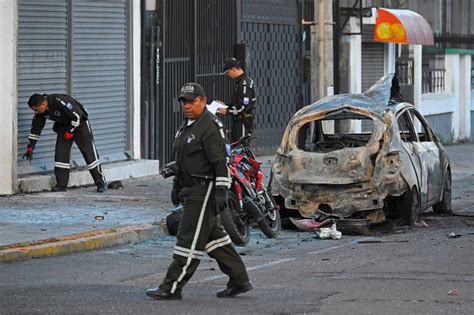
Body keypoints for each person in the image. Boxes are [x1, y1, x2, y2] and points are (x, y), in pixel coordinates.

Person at [145, 82, 252, 300]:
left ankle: (171, 287)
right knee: (215, 240)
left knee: (189, 239)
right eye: (183, 101)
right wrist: (177, 180)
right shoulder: (188, 126)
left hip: (204, 190)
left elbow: (220, 162)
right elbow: (188, 157)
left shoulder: (210, 126)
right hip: (190, 188)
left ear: (203, 101)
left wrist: (221, 192)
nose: (187, 105)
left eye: (192, 101)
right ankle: (239, 280)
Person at [22, 93, 106, 193]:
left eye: (36, 109)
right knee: (60, 155)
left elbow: (77, 115)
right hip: (64, 126)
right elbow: (36, 128)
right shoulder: (41, 112)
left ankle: (100, 183)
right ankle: (61, 185)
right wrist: (31, 147)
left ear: (43, 104)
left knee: (89, 154)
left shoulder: (59, 101)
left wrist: (71, 131)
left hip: (80, 125)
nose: (35, 112)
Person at [217, 58, 256, 142]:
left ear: (233, 69)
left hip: (243, 122)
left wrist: (227, 111)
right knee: (236, 149)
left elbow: (243, 108)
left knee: (240, 150)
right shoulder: (240, 83)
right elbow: (237, 104)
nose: (227, 75)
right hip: (237, 122)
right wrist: (225, 105)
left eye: (227, 72)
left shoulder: (245, 83)